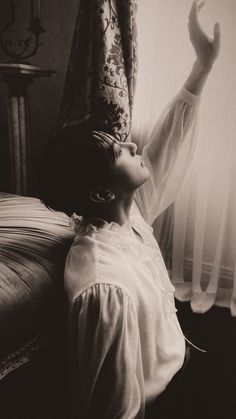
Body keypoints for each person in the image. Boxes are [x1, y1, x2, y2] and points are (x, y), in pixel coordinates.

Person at [39, 1, 220, 418]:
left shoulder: (126, 215)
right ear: (101, 192)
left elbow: (165, 151)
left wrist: (202, 66)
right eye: (119, 150)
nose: (133, 144)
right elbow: (114, 407)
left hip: (185, 367)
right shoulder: (106, 285)